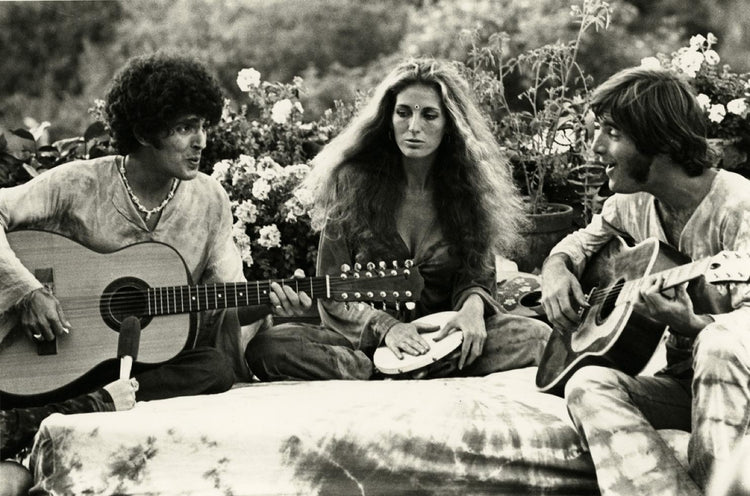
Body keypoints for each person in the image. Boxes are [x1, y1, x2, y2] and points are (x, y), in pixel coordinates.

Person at [0, 52, 310, 479]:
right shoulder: (78, 183)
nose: (201, 140)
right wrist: (27, 291)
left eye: (203, 125)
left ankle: (108, 399)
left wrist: (273, 302)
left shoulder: (209, 199)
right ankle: (94, 400)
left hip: (145, 366)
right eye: (185, 127)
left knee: (213, 368)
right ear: (145, 130)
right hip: (60, 356)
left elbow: (229, 296)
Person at [246, 57, 552, 381]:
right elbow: (332, 295)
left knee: (536, 335)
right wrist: (387, 328)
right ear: (387, 118)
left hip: (445, 337)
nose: (414, 127)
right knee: (269, 346)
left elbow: (476, 277)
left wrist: (473, 310)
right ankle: (380, 368)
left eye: (429, 115)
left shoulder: (468, 190)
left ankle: (422, 365)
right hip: (364, 343)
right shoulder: (352, 184)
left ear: (450, 123)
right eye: (403, 112)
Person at [539, 66, 750, 496]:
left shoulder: (739, 206)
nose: (596, 147)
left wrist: (692, 325)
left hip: (739, 382)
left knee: (718, 342)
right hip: (684, 383)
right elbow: (580, 241)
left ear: (663, 140)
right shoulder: (629, 204)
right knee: (586, 383)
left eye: (611, 132)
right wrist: (556, 268)